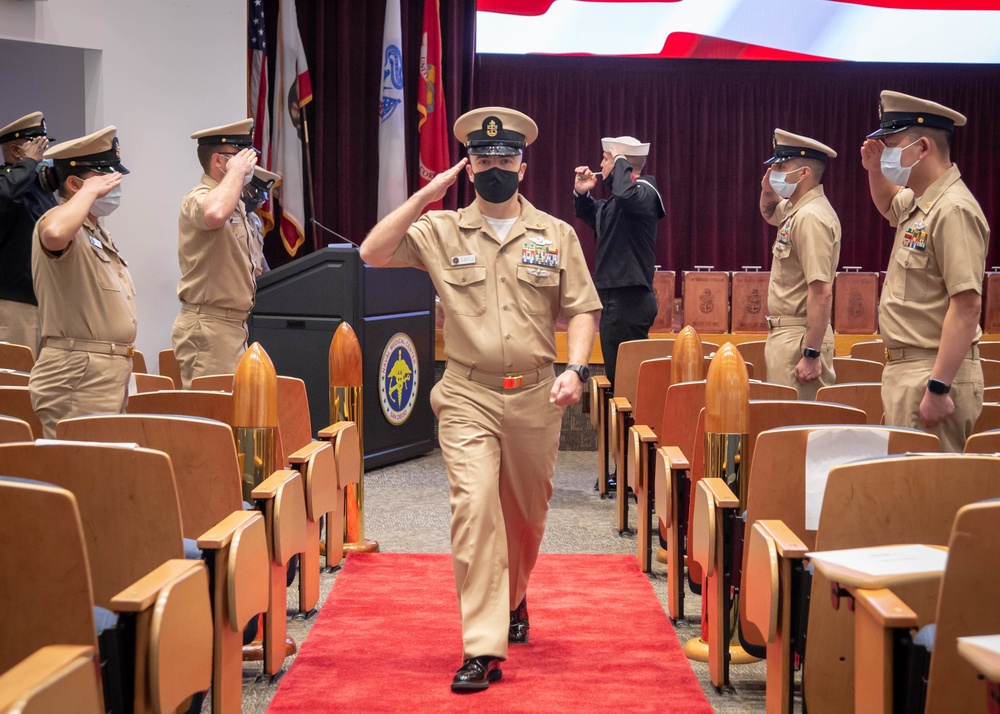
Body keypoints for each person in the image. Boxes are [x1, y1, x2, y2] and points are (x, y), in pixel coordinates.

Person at [360, 107, 601, 693]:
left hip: (537, 396)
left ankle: (514, 597)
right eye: (484, 159)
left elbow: (584, 308)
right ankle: (483, 646)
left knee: (525, 517)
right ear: (469, 166)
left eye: (506, 158)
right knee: (474, 510)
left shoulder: (555, 234)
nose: (496, 167)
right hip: (467, 394)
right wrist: (426, 196)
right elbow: (371, 251)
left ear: (523, 163)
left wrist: (575, 367)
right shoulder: (441, 231)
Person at [861, 91, 989, 453]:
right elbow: (887, 203)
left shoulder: (953, 209)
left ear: (922, 148)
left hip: (932, 373)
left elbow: (967, 306)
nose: (886, 152)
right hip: (910, 370)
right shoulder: (920, 199)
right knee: (908, 498)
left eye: (892, 144)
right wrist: (875, 171)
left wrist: (938, 387)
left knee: (930, 499)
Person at [28, 126, 135, 438]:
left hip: (104, 374)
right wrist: (90, 192)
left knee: (102, 476)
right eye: (105, 180)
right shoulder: (56, 220)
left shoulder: (95, 232)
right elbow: (54, 234)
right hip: (77, 374)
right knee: (81, 474)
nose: (113, 187)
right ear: (74, 183)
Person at [171, 119, 258, 388]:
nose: (250, 162)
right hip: (209, 326)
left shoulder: (236, 202)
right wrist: (236, 174)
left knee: (232, 419)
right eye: (241, 156)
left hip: (233, 327)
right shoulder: (199, 196)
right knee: (212, 420)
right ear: (219, 161)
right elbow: (214, 213)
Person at [573, 135, 664, 390]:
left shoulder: (646, 190)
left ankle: (632, 429)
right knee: (619, 380)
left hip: (629, 300)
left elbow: (626, 193)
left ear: (621, 162)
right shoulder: (619, 202)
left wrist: (620, 161)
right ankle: (624, 428)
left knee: (627, 385)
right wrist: (582, 195)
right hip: (616, 300)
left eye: (605, 159)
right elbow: (596, 215)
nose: (599, 165)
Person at [758, 129, 841, 399]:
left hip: (801, 337)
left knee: (796, 430)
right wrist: (768, 189)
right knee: (784, 426)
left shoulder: (811, 216)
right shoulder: (797, 209)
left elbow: (821, 291)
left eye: (781, 166)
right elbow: (770, 213)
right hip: (789, 335)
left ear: (804, 172)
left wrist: (811, 352)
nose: (774, 170)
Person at [0, 112, 57, 356]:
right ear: (15, 151)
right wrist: (29, 163)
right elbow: (6, 196)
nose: (42, 156)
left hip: (45, 302)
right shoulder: (6, 183)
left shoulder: (38, 189)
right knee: (16, 383)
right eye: (37, 148)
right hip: (15, 304)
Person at [244, 166, 279, 277]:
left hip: (257, 287)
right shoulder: (225, 218)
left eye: (260, 198)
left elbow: (260, 256)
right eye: (254, 195)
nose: (257, 202)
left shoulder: (254, 219)